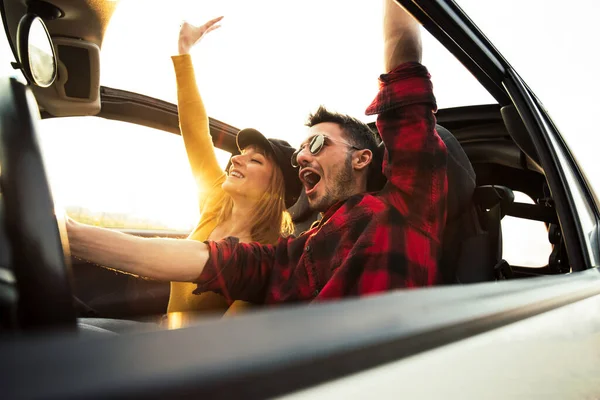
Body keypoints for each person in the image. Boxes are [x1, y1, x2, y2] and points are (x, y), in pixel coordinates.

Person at [66, 0, 448, 305]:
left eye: (316, 144)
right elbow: (208, 261)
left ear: (362, 158)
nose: (302, 157)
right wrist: (71, 235)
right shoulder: (294, 252)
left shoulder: (405, 203)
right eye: (300, 150)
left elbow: (402, 64)